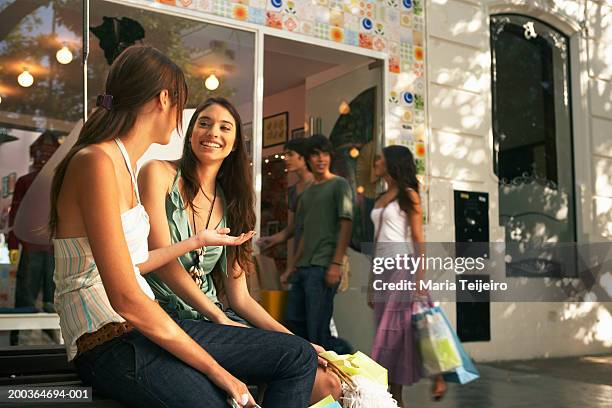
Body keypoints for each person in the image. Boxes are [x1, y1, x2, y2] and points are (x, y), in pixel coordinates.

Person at [50, 46, 317, 408]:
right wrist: (217, 370)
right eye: (185, 106)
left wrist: (196, 242)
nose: (188, 119)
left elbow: (132, 264)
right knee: (227, 397)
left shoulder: (122, 164)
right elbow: (126, 297)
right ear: (164, 99)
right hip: (107, 340)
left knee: (298, 354)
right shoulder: (97, 161)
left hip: (137, 330)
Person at [138, 97, 341, 404]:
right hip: (165, 317)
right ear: (191, 132)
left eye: (224, 127)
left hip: (213, 320)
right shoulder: (158, 173)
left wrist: (299, 342)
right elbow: (163, 260)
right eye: (204, 123)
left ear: (234, 144)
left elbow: (241, 298)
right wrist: (218, 316)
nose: (212, 132)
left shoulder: (233, 205)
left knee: (325, 380)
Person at [367, 145, 446, 407]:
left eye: (380, 158)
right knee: (391, 332)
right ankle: (398, 397)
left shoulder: (409, 195)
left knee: (395, 334)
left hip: (402, 268)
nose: (375, 162)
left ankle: (398, 395)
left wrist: (420, 279)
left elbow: (419, 240)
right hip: (382, 271)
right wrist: (371, 282)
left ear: (392, 163)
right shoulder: (380, 197)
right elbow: (377, 242)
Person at [285, 134, 353, 355]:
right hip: (304, 268)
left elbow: (346, 225)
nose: (321, 159)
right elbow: (303, 233)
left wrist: (336, 264)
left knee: (318, 332)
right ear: (308, 159)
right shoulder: (307, 193)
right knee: (294, 323)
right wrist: (292, 266)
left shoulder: (340, 185)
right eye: (315, 155)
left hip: (324, 266)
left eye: (324, 154)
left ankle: (350, 361)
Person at [256, 138, 314, 286]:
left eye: (290, 154)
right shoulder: (293, 190)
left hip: (315, 260)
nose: (286, 159)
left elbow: (310, 231)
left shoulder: (317, 186)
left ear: (303, 156)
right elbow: (293, 227)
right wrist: (272, 239)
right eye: (284, 155)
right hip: (300, 263)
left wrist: (290, 267)